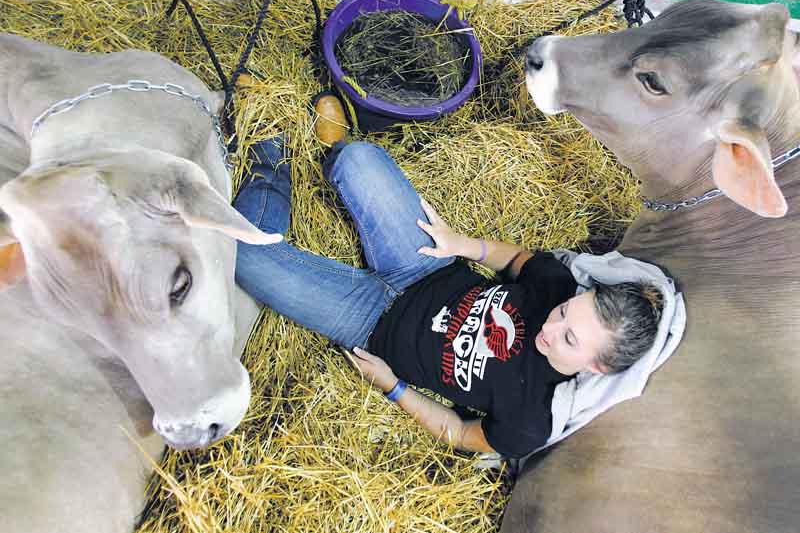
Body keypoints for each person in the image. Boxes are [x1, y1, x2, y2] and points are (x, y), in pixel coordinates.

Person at [233, 97, 664, 459]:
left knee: (245, 258)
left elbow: (458, 433)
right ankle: (336, 147)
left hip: (370, 324)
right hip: (426, 265)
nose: (552, 327)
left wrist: (393, 385)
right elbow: (516, 260)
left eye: (570, 338)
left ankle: (269, 159)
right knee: (359, 160)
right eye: (566, 313)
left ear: (596, 366)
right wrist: (462, 244)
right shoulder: (559, 287)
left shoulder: (532, 420)